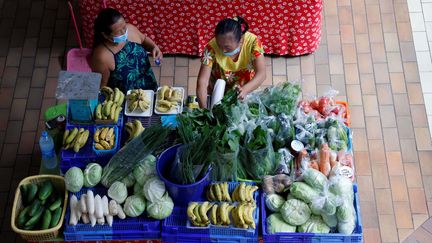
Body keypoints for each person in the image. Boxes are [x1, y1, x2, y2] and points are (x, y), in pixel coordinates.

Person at [196, 16, 266, 108]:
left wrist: (245, 90)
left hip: (245, 85)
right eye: (219, 45)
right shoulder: (210, 47)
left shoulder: (253, 43)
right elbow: (203, 81)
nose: (223, 50)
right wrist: (204, 109)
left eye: (227, 47)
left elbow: (261, 74)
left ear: (241, 40)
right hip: (219, 86)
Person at [91, 8, 162, 92]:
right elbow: (101, 88)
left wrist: (154, 47)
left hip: (149, 88)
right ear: (105, 35)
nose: (124, 32)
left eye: (124, 27)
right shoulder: (101, 57)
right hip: (126, 100)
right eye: (119, 32)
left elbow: (143, 39)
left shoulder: (130, 29)